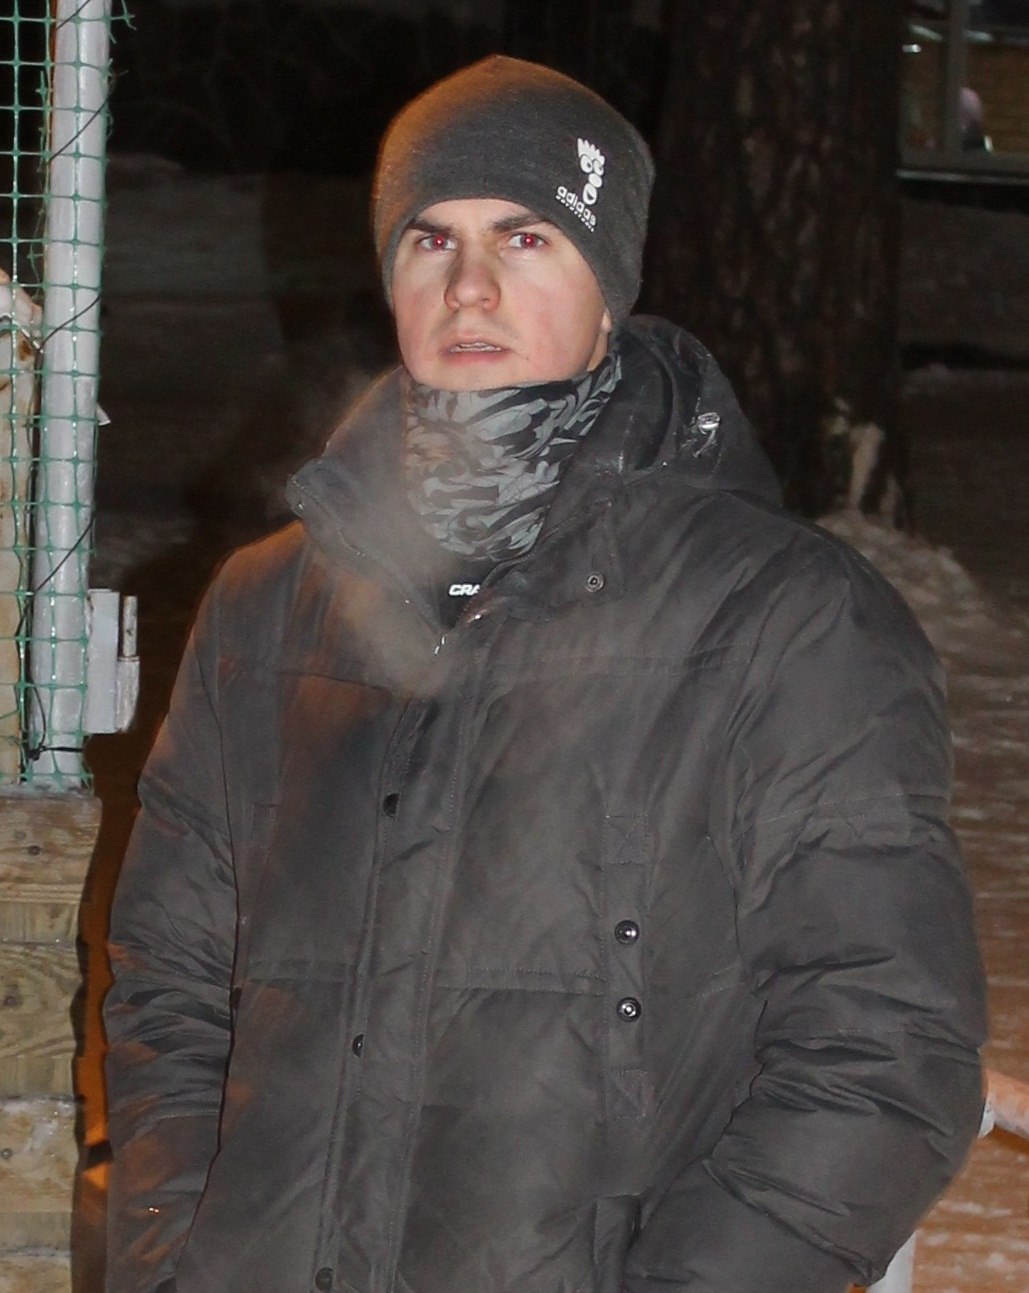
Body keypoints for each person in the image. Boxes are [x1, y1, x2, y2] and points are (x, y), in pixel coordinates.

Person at [104, 56, 987, 1293]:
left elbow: (888, 1043)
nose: (469, 286)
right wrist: (170, 1257)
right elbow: (172, 984)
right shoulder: (265, 607)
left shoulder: (784, 621)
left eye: (526, 237)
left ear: (608, 287)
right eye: (432, 239)